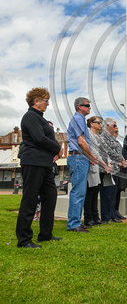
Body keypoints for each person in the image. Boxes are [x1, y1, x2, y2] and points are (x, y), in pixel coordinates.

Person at [16, 87, 63, 248]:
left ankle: (45, 234)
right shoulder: (30, 116)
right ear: (36, 101)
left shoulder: (40, 118)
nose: (47, 105)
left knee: (50, 196)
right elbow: (39, 138)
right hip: (33, 162)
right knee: (29, 200)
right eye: (45, 101)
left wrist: (54, 151)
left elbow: (45, 138)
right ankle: (24, 239)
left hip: (45, 164)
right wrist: (58, 148)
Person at [67, 97, 99, 233]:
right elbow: (81, 141)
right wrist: (91, 156)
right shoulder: (79, 118)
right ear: (80, 107)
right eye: (87, 105)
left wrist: (89, 158)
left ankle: (77, 222)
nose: (89, 108)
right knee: (78, 192)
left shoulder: (79, 120)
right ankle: (74, 224)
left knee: (81, 192)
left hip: (81, 158)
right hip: (78, 158)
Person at [83, 116, 112, 226]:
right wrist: (105, 165)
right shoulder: (88, 135)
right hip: (94, 166)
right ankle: (88, 218)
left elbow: (106, 151)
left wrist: (108, 162)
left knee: (96, 193)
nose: (101, 125)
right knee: (90, 193)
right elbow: (93, 152)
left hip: (101, 168)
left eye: (101, 123)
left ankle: (96, 217)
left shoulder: (99, 137)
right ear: (91, 123)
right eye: (98, 123)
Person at [98, 118, 127, 223]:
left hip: (116, 168)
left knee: (113, 193)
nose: (116, 127)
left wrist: (122, 160)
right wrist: (121, 159)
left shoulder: (113, 138)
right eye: (114, 125)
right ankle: (106, 217)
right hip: (108, 169)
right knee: (107, 194)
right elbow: (107, 151)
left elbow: (119, 150)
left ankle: (113, 215)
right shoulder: (103, 137)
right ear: (108, 126)